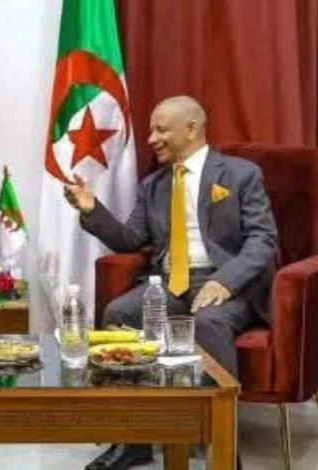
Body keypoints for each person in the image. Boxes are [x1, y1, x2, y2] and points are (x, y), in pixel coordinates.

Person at [65, 96, 277, 470]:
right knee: (119, 314)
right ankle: (133, 441)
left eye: (161, 130)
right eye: (151, 131)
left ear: (191, 130)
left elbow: (263, 240)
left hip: (226, 285)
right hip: (168, 284)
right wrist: (92, 209)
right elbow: (131, 239)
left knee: (209, 322)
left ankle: (222, 450)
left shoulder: (241, 175)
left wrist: (225, 281)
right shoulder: (153, 186)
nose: (152, 139)